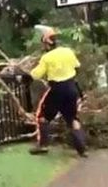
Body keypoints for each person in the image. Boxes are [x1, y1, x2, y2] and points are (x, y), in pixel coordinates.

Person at [29, 27, 87, 157]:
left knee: (42, 117)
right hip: (72, 88)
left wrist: (27, 75)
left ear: (46, 43)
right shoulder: (68, 51)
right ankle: (82, 149)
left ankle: (43, 145)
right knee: (72, 119)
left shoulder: (46, 57)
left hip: (57, 90)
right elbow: (77, 67)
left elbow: (36, 75)